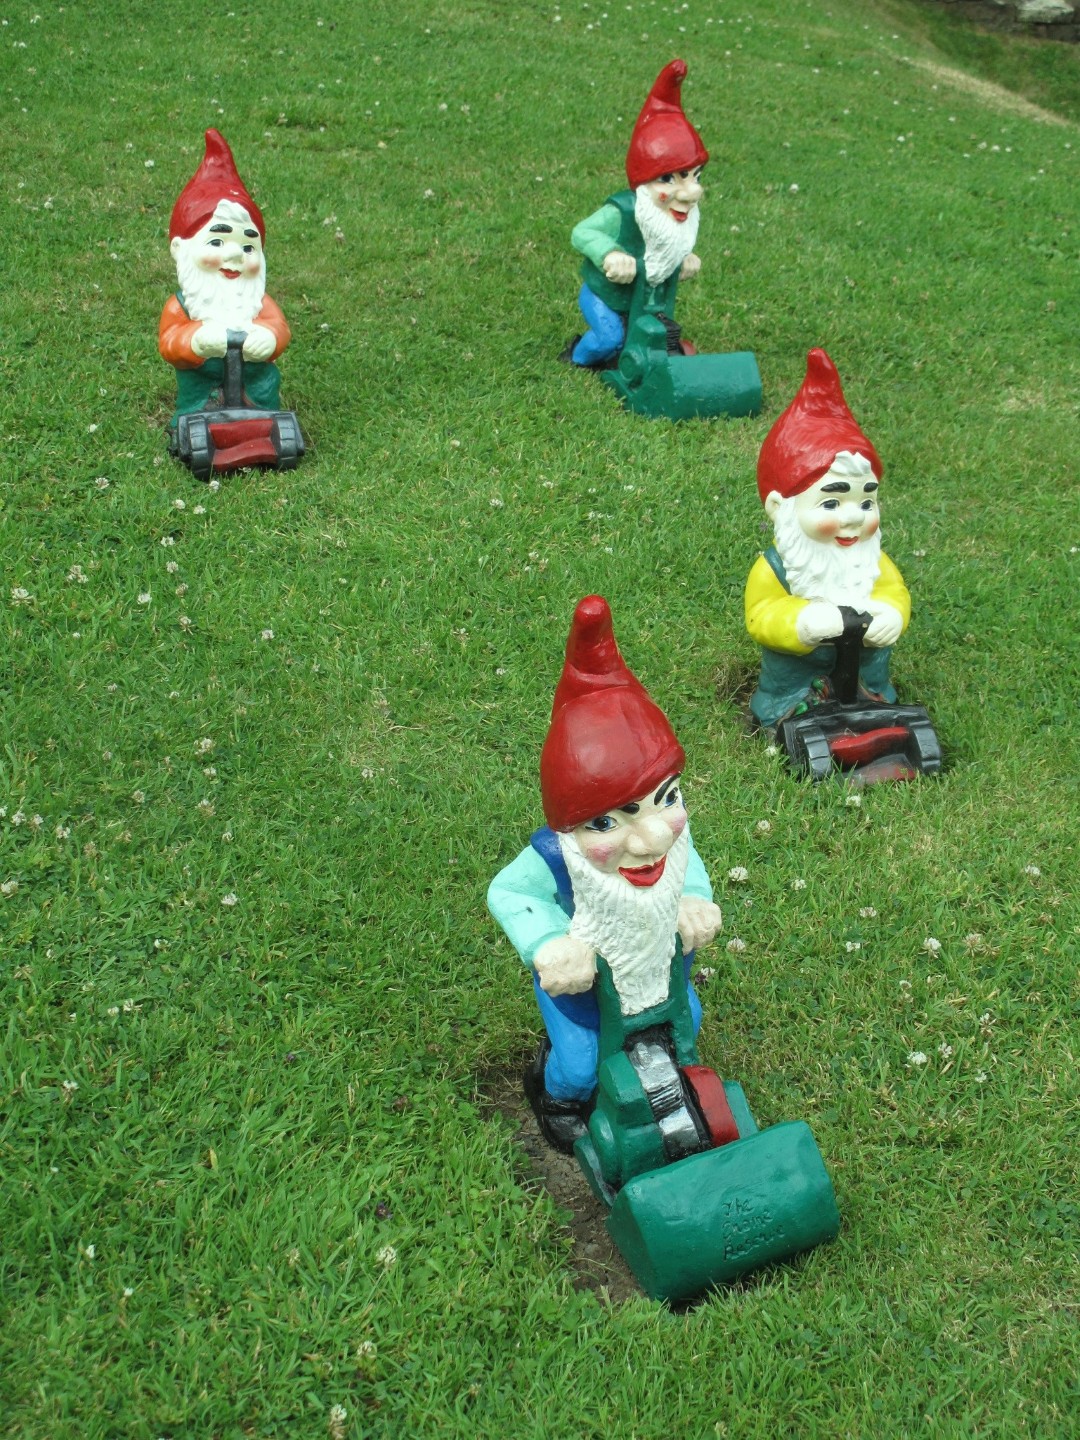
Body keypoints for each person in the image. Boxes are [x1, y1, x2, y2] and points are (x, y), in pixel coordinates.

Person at [488, 595, 722, 1152]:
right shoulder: (556, 856)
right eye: (606, 822)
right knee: (581, 1062)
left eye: (666, 798)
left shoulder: (670, 837)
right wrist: (549, 943)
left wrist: (693, 897)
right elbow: (508, 891)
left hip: (663, 979)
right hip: (586, 995)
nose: (653, 838)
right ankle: (559, 1100)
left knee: (687, 1023)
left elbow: (687, 863)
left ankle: (669, 1097)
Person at [745, 348, 912, 730]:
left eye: (866, 501)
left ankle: (874, 702)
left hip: (866, 677)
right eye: (832, 502)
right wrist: (801, 622)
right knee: (789, 697)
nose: (854, 517)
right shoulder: (774, 568)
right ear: (780, 507)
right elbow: (761, 614)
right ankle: (782, 712)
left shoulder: (873, 561)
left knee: (873, 694)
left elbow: (894, 591)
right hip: (794, 682)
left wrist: (892, 614)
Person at [565, 60, 707, 368]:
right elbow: (582, 233)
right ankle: (576, 357)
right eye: (669, 179)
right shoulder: (624, 210)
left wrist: (684, 257)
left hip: (647, 303)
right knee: (609, 338)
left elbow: (665, 247)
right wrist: (609, 254)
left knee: (656, 335)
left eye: (695, 176)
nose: (691, 192)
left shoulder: (672, 217)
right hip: (606, 296)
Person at [159, 129, 291, 425]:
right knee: (195, 400)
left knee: (265, 388)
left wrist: (270, 338)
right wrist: (195, 341)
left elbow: (279, 327)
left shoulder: (257, 301)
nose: (235, 256)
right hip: (202, 382)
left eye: (248, 247)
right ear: (181, 249)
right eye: (217, 242)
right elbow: (169, 341)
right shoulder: (181, 306)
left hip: (254, 382)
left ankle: (264, 420)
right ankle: (192, 422)